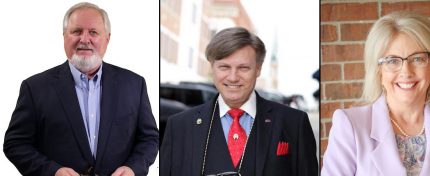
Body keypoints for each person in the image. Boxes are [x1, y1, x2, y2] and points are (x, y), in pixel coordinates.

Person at [3, 2, 159, 176]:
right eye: (76, 31)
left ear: (107, 39)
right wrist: (53, 172)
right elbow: (15, 144)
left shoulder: (134, 85)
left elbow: (149, 139)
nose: (84, 39)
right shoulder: (35, 88)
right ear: (64, 37)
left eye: (93, 32)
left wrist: (133, 169)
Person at [321, 11, 430, 175]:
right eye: (392, 61)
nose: (406, 72)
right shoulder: (350, 126)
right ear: (378, 72)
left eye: (418, 59)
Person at [160, 27, 318, 176]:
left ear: (258, 69)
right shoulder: (179, 126)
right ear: (212, 67)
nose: (233, 77)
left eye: (243, 68)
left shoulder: (294, 122)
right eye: (224, 67)